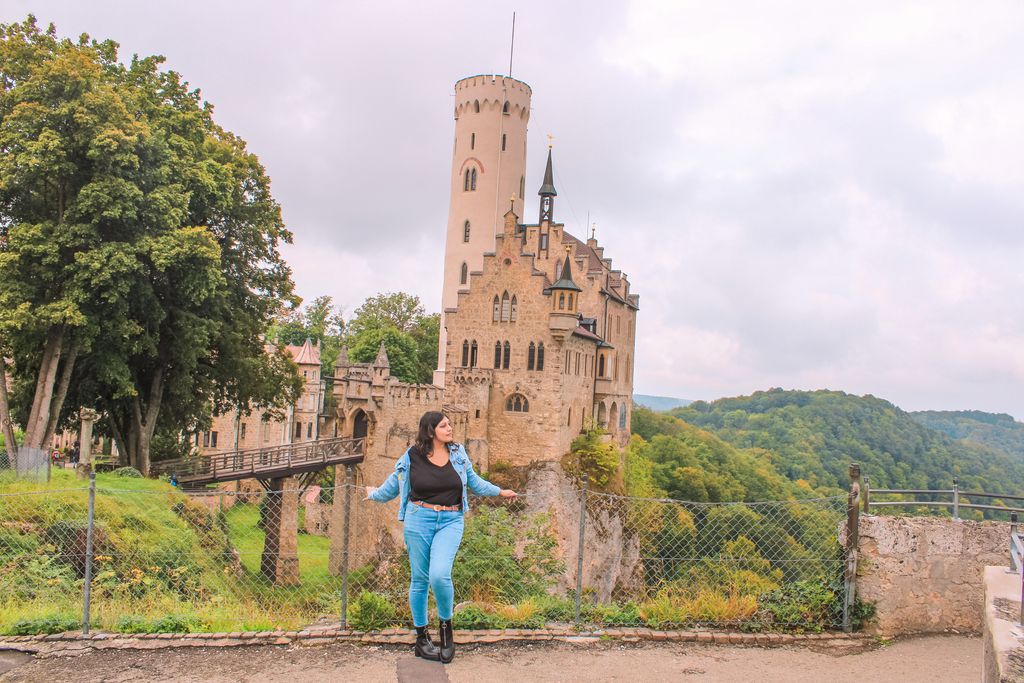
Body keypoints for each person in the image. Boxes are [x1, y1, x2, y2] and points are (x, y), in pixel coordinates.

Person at [366, 411, 517, 663]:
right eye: (444, 425)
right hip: (418, 519)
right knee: (419, 580)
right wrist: (373, 494)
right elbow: (393, 486)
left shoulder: (458, 454)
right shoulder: (411, 457)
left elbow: (475, 483)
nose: (450, 428)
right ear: (430, 430)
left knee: (439, 574)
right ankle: (422, 639)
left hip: (451, 520)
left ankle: (446, 631)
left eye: (450, 424)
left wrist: (500, 491)